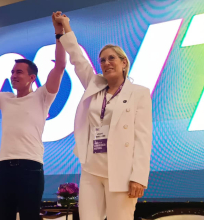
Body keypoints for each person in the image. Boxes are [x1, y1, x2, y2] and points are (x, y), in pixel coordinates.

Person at [0, 11, 67, 220]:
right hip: (4, 168)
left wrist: (59, 33)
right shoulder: (5, 98)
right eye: (12, 72)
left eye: (19, 72)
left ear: (32, 78)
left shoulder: (43, 96)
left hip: (30, 168)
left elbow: (60, 66)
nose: (13, 75)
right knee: (3, 216)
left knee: (29, 216)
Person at [54, 13, 153, 220]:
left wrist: (139, 177)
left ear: (124, 62)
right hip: (91, 169)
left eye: (111, 58)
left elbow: (143, 138)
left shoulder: (139, 93)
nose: (106, 63)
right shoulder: (95, 86)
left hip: (122, 172)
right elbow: (78, 60)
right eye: (102, 60)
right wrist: (64, 29)